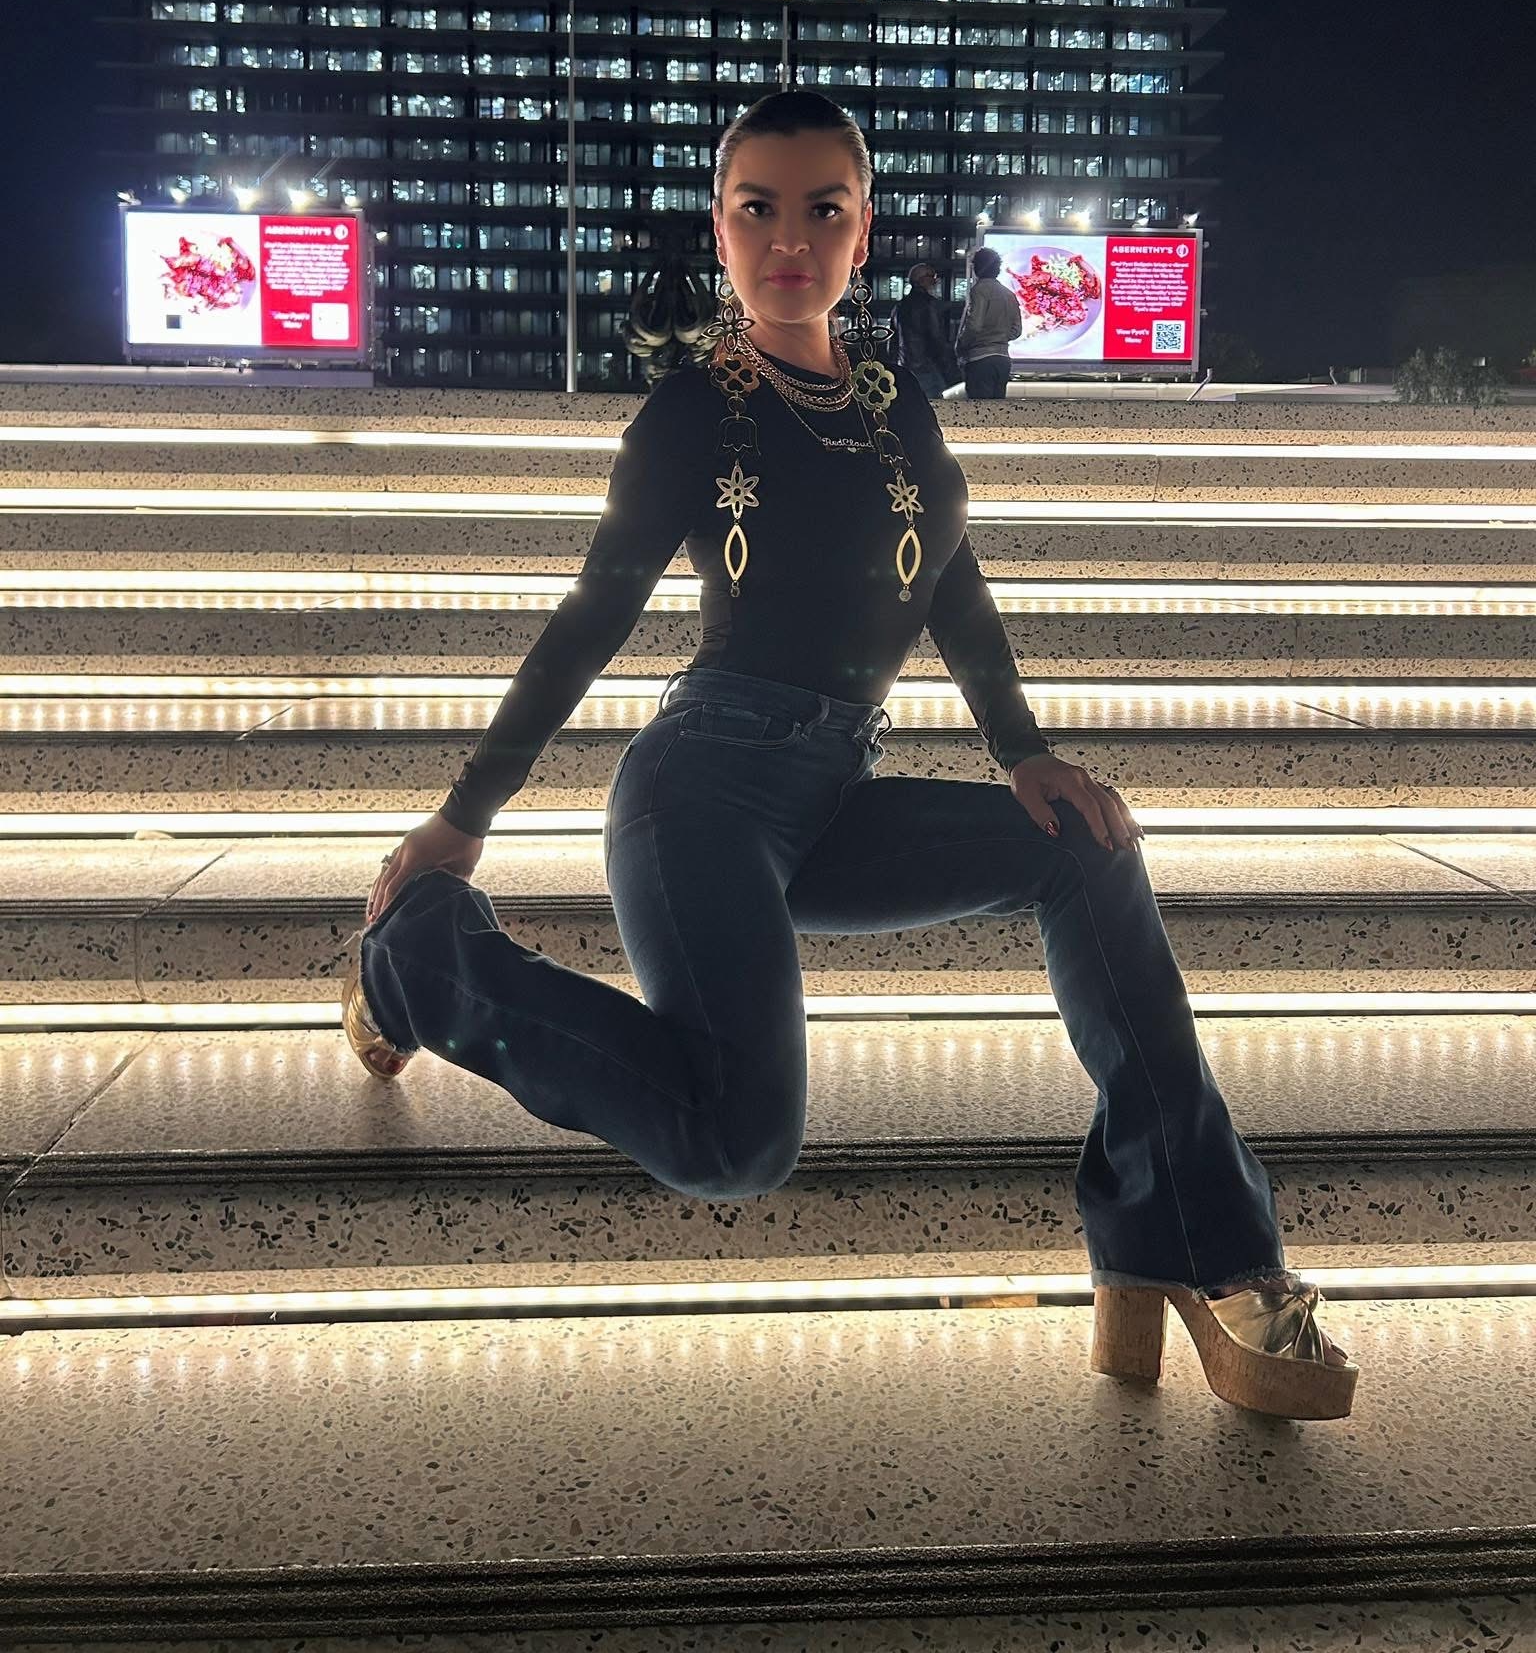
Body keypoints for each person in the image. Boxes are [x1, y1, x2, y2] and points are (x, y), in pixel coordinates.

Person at [341, 89, 1356, 1423]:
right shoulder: (690, 413)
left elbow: (952, 579)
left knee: (1089, 850)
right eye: (756, 208)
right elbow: (592, 616)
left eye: (823, 209)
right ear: (720, 230)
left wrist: (1025, 753)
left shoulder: (893, 409)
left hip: (830, 791)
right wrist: (463, 818)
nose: (789, 240)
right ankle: (419, 958)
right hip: (703, 790)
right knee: (734, 1139)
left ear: (861, 233)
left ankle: (1195, 1244)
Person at [955, 247, 1021, 401]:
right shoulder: (1009, 294)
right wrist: (1001, 336)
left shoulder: (979, 290)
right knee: (997, 410)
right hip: (1003, 359)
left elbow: (974, 325)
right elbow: (1017, 330)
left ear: (977, 267)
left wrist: (962, 345)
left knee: (979, 409)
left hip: (980, 358)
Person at [893, 261, 961, 402]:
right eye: (932, 277)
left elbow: (892, 343)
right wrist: (949, 365)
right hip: (928, 366)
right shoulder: (929, 305)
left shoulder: (898, 308)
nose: (935, 282)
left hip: (905, 366)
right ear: (922, 280)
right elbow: (936, 339)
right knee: (937, 406)